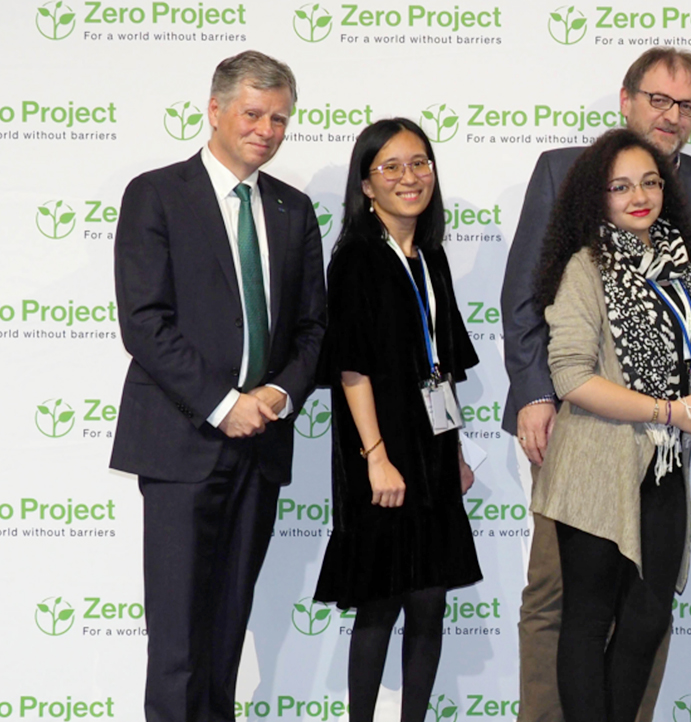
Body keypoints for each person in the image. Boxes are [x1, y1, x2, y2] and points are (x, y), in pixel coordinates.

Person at [500, 46, 691, 722]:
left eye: (685, 104)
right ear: (626, 98)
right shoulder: (562, 172)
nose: (670, 115)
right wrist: (534, 395)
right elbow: (525, 295)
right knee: (560, 597)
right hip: (576, 430)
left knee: (648, 604)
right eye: (658, 99)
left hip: (664, 449)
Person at [110, 51, 326, 722]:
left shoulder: (293, 209)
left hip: (259, 451)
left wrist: (277, 396)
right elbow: (144, 322)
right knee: (177, 641)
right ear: (215, 110)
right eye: (253, 113)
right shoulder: (157, 193)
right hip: (180, 447)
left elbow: (313, 330)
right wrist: (224, 404)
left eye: (280, 118)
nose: (267, 129)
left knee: (226, 635)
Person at [311, 118, 482, 722]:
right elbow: (351, 369)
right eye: (392, 167)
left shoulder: (429, 254)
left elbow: (445, 365)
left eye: (420, 163)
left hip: (432, 447)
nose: (410, 178)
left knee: (431, 597)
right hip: (378, 451)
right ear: (366, 186)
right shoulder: (356, 259)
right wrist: (376, 456)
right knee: (381, 600)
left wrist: (456, 451)